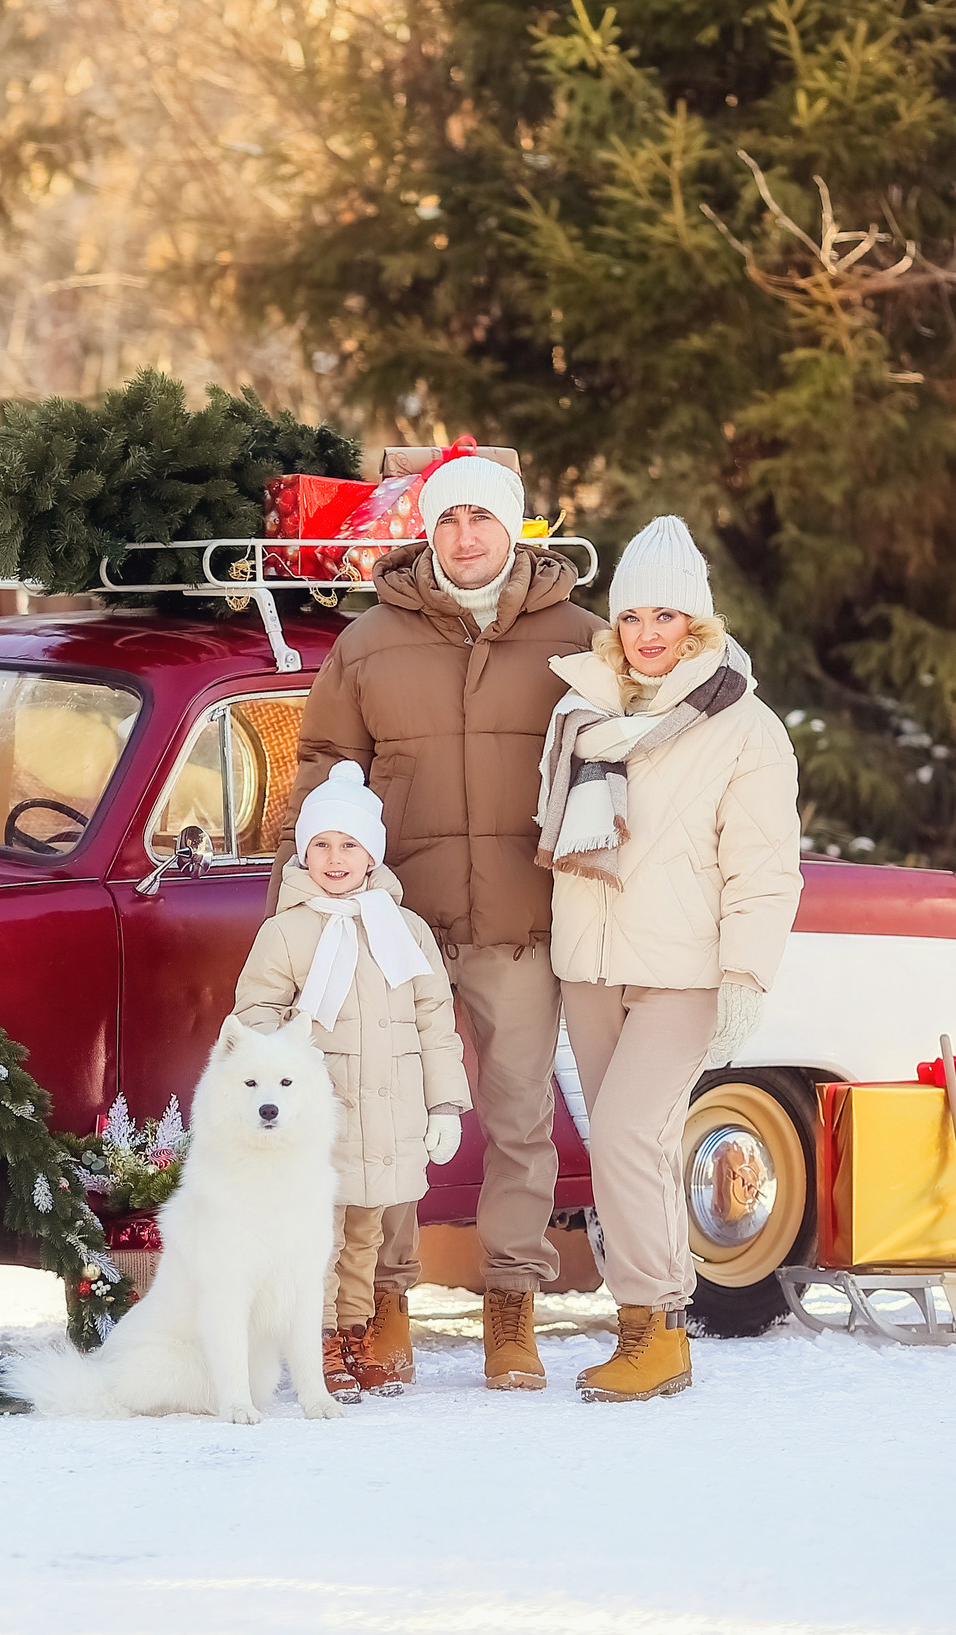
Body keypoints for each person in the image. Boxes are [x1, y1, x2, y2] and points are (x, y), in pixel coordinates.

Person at [274, 446, 605, 1392]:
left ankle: (511, 1308)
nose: (464, 536)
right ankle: (384, 1301)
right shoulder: (370, 641)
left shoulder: (579, 637)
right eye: (448, 519)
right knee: (384, 1109)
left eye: (483, 519)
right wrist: (296, 898)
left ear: (515, 529)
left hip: (521, 918)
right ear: (429, 530)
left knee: (518, 1117)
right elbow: (323, 764)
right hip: (390, 923)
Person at [533, 515, 801, 1401]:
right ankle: (653, 1333)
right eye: (635, 617)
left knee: (624, 1133)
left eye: (668, 618)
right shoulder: (583, 709)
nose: (649, 635)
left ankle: (658, 1327)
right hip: (592, 961)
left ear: (699, 624)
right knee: (631, 1154)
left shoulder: (745, 727)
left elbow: (763, 865)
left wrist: (745, 974)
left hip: (682, 971)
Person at [234, 761, 466, 1400]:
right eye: (322, 844)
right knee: (320, 1235)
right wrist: (291, 1033)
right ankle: (321, 1339)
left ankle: (357, 1329)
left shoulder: (404, 931)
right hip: (321, 1118)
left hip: (387, 1117)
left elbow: (434, 1021)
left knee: (366, 1232)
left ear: (372, 854)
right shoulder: (285, 933)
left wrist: (444, 1105)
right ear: (305, 852)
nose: (335, 858)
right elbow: (252, 1016)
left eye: (350, 844)